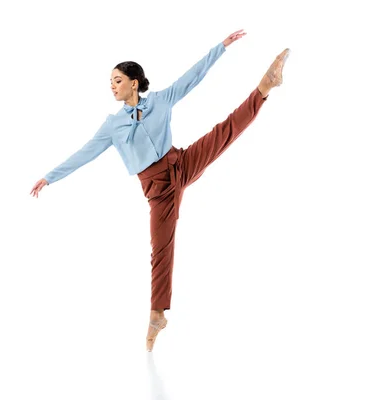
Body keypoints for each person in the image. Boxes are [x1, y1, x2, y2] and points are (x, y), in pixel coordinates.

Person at [30, 29, 290, 351]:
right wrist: (50, 177)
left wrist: (220, 48)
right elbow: (85, 153)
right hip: (158, 190)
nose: (112, 86)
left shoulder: (160, 100)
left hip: (179, 163)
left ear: (134, 82)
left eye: (117, 80)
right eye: (110, 82)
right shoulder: (112, 126)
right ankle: (157, 315)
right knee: (161, 251)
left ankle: (265, 85)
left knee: (223, 133)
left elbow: (191, 79)